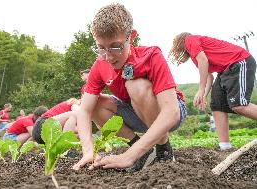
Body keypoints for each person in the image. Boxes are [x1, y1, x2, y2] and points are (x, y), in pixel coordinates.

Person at [72, 3, 186, 171]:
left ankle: (164, 150)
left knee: (136, 85)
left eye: (115, 47)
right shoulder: (100, 64)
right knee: (93, 102)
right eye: (101, 48)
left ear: (131, 37)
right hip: (134, 112)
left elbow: (171, 111)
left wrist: (129, 155)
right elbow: (84, 111)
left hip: (170, 111)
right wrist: (88, 150)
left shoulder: (151, 56)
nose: (108, 56)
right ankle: (144, 152)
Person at [169, 32, 256, 150]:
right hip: (224, 70)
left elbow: (203, 61)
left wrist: (200, 89)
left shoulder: (190, 39)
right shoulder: (196, 57)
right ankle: (225, 147)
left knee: (239, 105)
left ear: (180, 42)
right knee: (217, 106)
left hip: (239, 62)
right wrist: (204, 94)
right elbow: (209, 76)